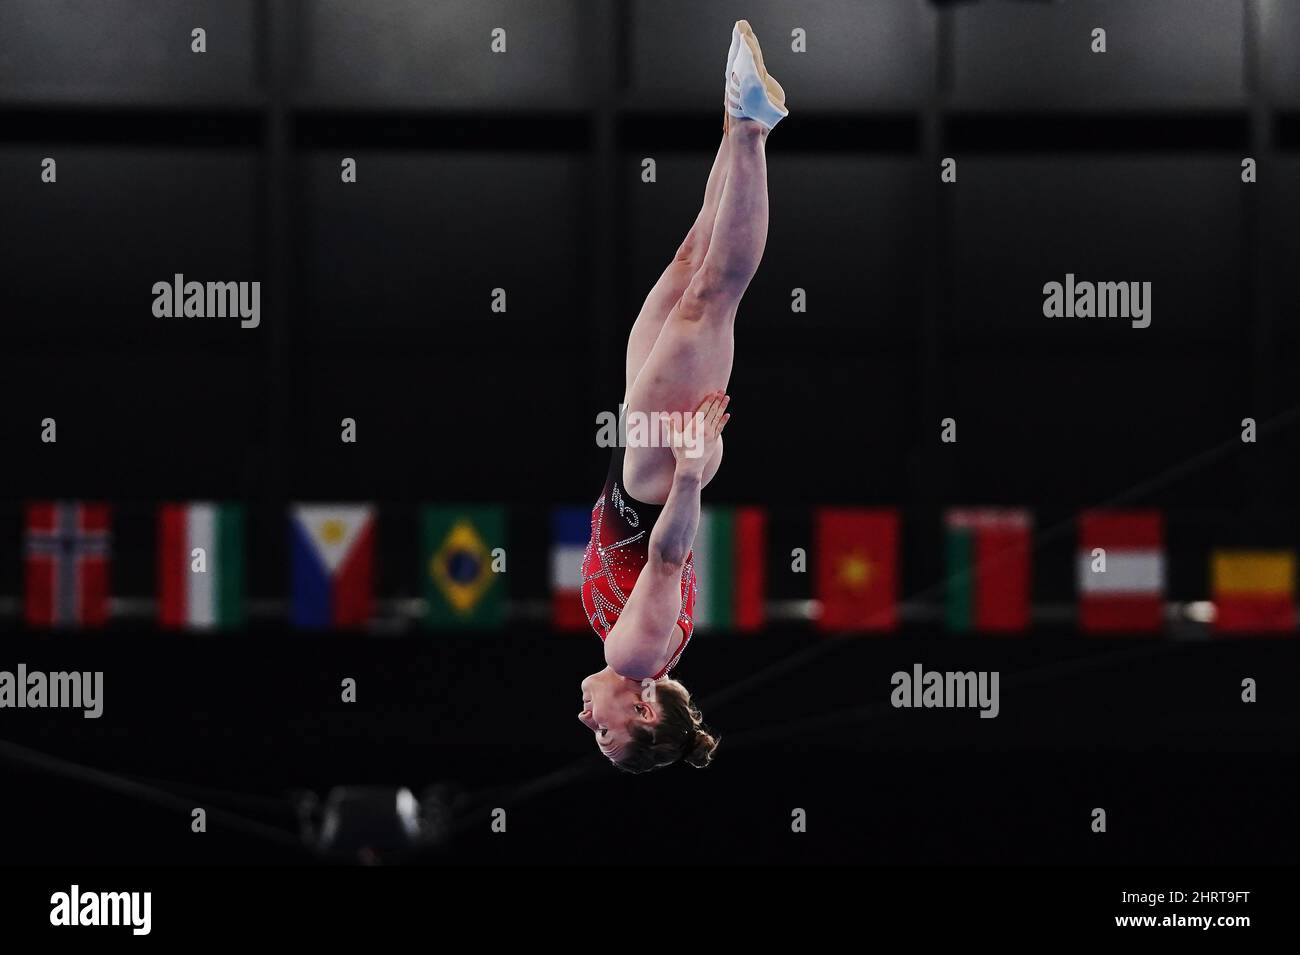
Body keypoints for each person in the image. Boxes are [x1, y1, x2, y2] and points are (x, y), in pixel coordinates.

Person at [578, 21, 786, 772]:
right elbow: (665, 558)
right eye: (604, 732)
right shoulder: (632, 653)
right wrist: (694, 474)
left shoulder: (652, 651)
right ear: (639, 711)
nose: (587, 719)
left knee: (691, 263)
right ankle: (755, 131)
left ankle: (738, 119)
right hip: (659, 475)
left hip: (642, 466)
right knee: (712, 296)